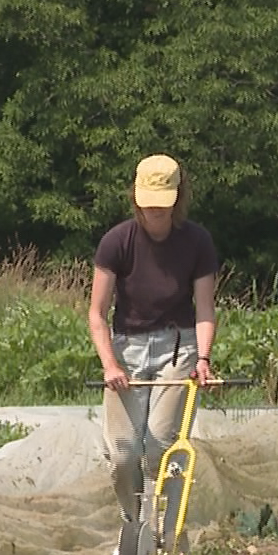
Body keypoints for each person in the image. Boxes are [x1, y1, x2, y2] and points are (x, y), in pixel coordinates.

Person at [88, 153, 220, 526]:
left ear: (178, 198)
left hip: (176, 350)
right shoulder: (117, 242)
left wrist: (203, 359)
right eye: (148, 206)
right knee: (125, 453)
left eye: (162, 206)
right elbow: (97, 315)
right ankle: (134, 529)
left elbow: (205, 311)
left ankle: (168, 535)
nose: (155, 214)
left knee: (161, 444)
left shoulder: (197, 242)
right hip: (127, 352)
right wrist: (110, 364)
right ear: (135, 199)